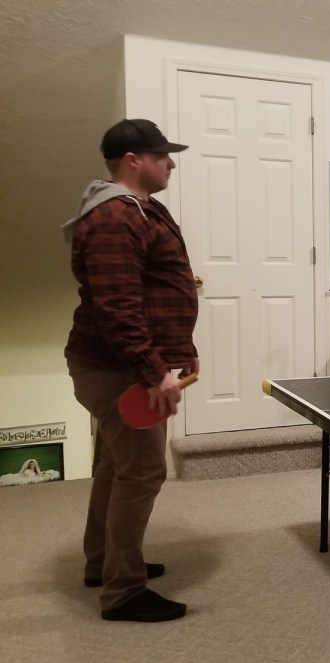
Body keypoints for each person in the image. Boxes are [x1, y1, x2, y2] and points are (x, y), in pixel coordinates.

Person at [61, 118, 198, 623]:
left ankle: (103, 562)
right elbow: (118, 307)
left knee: (114, 467)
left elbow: (159, 287)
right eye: (162, 155)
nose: (171, 163)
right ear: (133, 160)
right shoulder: (115, 217)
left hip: (120, 365)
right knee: (141, 471)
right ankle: (122, 592)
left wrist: (181, 348)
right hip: (118, 369)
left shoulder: (139, 209)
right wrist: (152, 372)